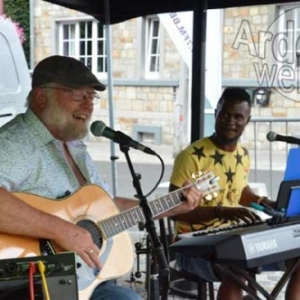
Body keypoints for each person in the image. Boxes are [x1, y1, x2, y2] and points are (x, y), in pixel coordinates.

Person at [0, 55, 204, 300]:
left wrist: (171, 206)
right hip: (32, 284)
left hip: (81, 280)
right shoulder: (17, 142)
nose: (88, 105)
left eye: (91, 96)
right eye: (77, 95)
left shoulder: (73, 147)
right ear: (41, 97)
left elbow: (107, 207)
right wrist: (61, 230)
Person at [169, 87, 300, 300]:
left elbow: (239, 191)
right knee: (238, 268)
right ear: (217, 113)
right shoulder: (191, 156)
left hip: (234, 238)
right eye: (225, 114)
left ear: (247, 120)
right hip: (191, 248)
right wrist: (222, 212)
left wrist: (265, 202)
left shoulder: (243, 155)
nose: (230, 121)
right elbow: (173, 210)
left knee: (298, 258)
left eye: (238, 116)